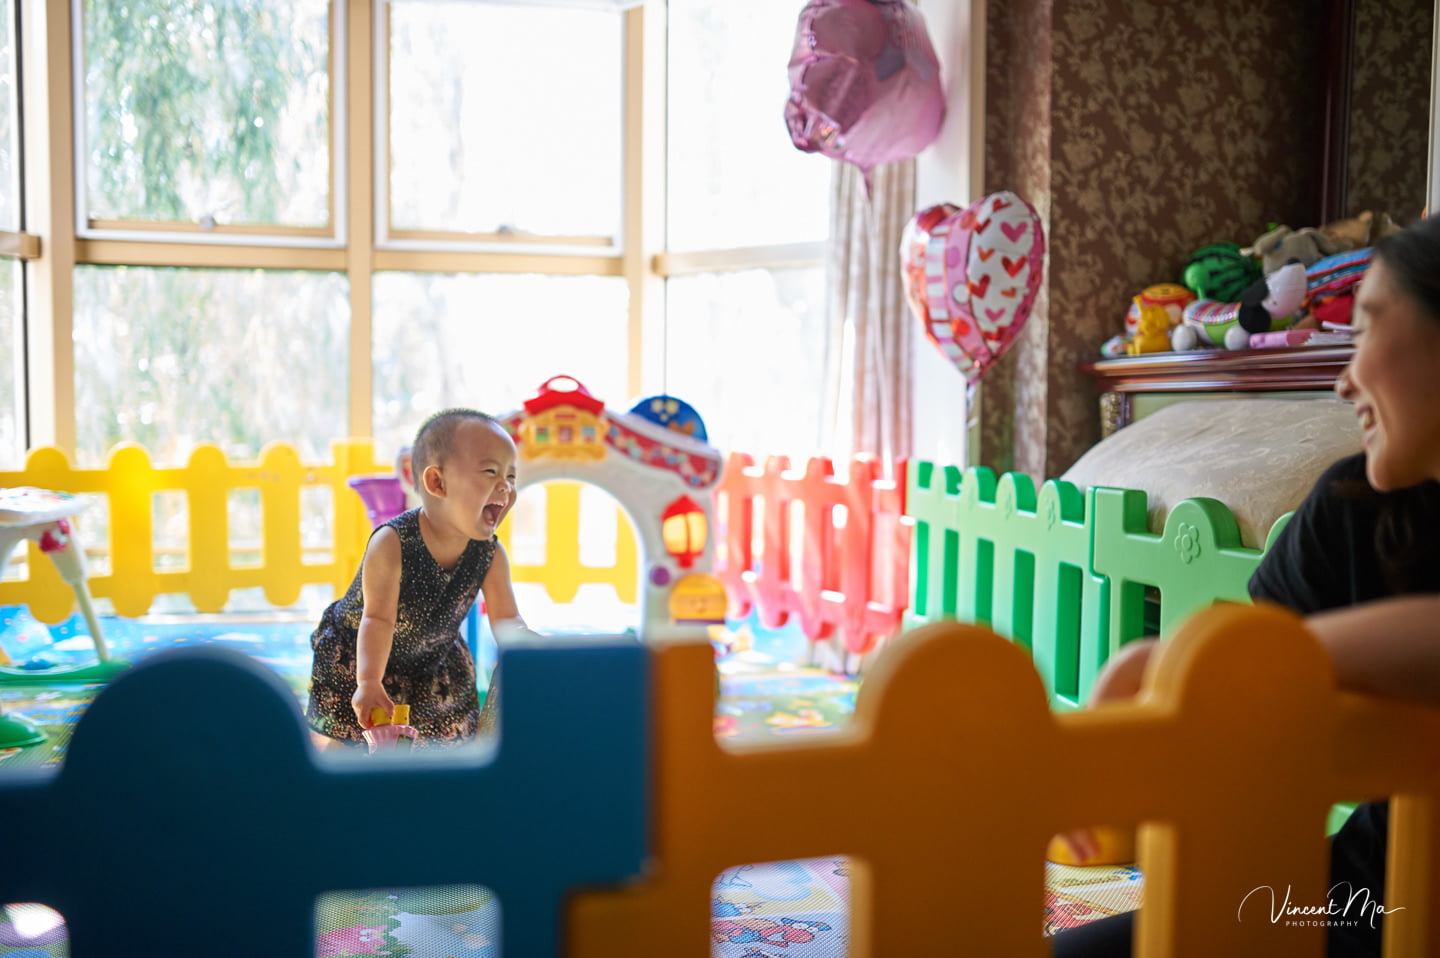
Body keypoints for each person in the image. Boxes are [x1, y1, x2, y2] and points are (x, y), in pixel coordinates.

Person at [1052, 213, 1440, 957]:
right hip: (1359, 900)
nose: (1343, 379)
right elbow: (1243, 700)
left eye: (1366, 330)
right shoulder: (1352, 509)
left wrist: (1197, 664)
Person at [306, 408, 537, 749]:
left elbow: (507, 618)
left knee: (448, 743)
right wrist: (368, 681)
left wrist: (526, 645)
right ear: (437, 483)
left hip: (433, 661)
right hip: (363, 654)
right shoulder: (393, 542)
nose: (506, 486)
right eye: (491, 471)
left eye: (512, 476)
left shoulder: (490, 554)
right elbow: (377, 618)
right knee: (351, 741)